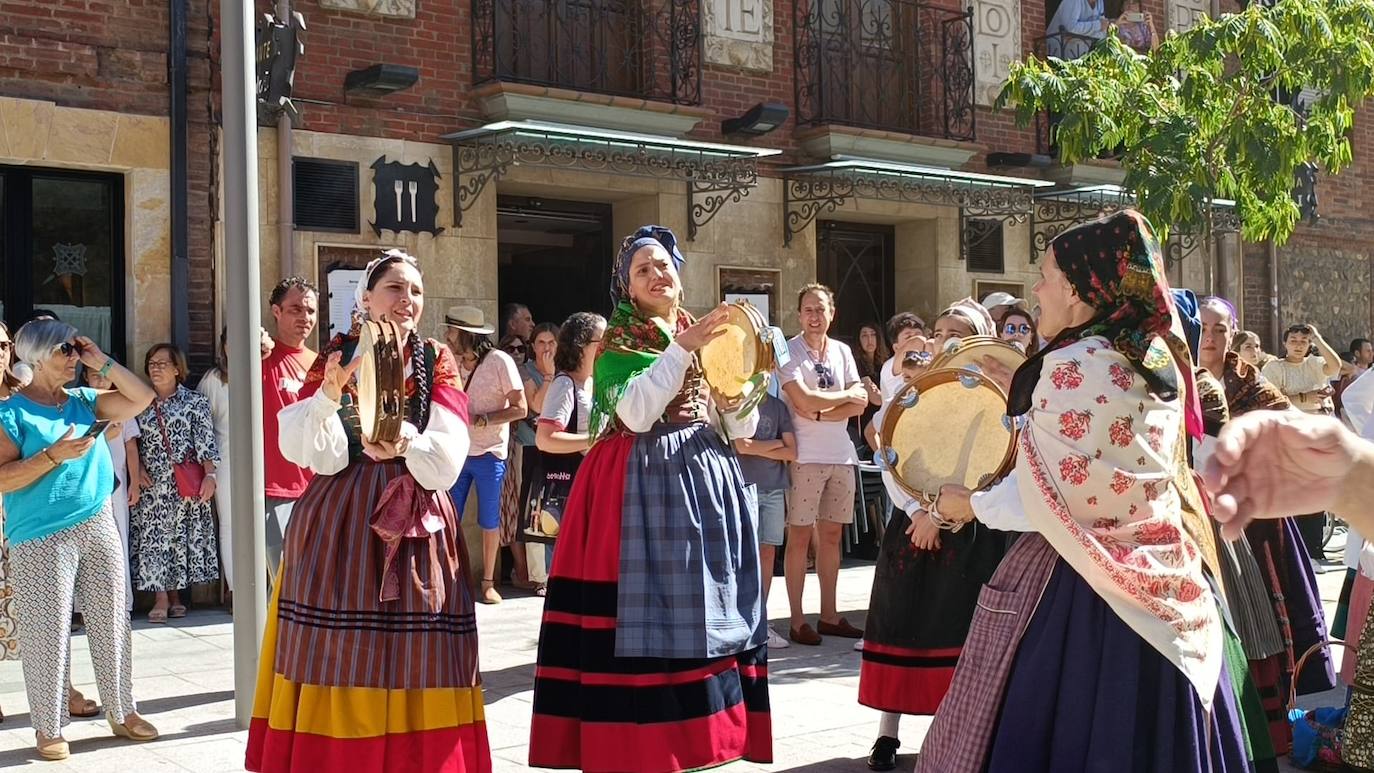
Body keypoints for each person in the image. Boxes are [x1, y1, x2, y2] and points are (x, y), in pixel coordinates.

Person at [914, 211, 1247, 772]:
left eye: (1045, 275)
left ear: (1077, 287)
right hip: (1169, 577)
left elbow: (1043, 494)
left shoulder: (1073, 366)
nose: (1037, 289)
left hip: (1075, 582)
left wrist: (965, 504)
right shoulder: (1159, 355)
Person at [528, 225, 770, 772]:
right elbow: (634, 414)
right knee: (644, 613)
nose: (657, 274)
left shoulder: (706, 331)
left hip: (703, 475)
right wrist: (683, 349)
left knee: (705, 607)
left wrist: (734, 397)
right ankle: (640, 748)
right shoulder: (618, 339)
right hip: (635, 482)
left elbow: (739, 422)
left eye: (663, 264)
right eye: (643, 269)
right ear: (628, 288)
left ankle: (699, 741)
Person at [244, 250, 487, 773]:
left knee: (421, 643)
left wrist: (403, 440)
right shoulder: (335, 355)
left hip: (418, 509)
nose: (408, 300)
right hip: (342, 515)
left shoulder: (435, 358)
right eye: (395, 288)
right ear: (367, 297)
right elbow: (311, 450)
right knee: (337, 645)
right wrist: (330, 393)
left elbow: (448, 454)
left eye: (416, 291)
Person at [0, 320, 159, 759]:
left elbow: (142, 398)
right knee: (46, 631)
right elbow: (2, 478)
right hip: (40, 534)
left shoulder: (85, 401)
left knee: (112, 621)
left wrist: (102, 360)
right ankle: (48, 728)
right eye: (64, 350)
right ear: (35, 356)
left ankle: (122, 710)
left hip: (96, 522)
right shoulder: (10, 412)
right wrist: (51, 456)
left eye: (74, 349)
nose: (72, 357)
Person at [858, 298, 1005, 772]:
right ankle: (887, 733)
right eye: (940, 333)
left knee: (957, 632)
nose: (945, 341)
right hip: (913, 526)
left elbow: (994, 467)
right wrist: (918, 512)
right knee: (902, 623)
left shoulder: (990, 399)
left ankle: (959, 733)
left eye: (957, 333)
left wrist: (940, 518)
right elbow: (891, 457)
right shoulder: (914, 391)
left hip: (969, 531)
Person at [1195, 295, 1332, 765]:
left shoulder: (1249, 380)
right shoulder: (1169, 371)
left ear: (1234, 333)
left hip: (1250, 518)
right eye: (1204, 329)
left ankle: (1264, 730)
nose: (1210, 339)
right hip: (1190, 513)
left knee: (1257, 624)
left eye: (1220, 330)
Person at [780, 284, 870, 646]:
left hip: (841, 455)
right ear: (799, 314)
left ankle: (830, 615)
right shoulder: (787, 350)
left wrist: (823, 408)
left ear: (832, 313)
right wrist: (839, 400)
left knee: (833, 537)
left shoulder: (844, 350)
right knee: (800, 537)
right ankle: (798, 619)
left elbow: (861, 402)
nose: (815, 316)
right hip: (805, 455)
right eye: (808, 310)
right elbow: (801, 400)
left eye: (821, 309)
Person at [129, 344, 220, 623]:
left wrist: (210, 476)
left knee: (179, 539)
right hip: (153, 483)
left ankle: (177, 595)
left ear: (177, 369)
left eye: (162, 363)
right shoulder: (140, 402)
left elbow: (205, 440)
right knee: (155, 539)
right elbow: (131, 440)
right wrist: (139, 469)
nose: (155, 368)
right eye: (151, 363)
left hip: (184, 483)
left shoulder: (195, 402)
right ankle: (160, 598)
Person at [444, 307, 528, 605]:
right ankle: (449, 579)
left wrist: (483, 419)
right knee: (447, 516)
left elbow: (521, 408)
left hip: (490, 453)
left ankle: (488, 582)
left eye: (451, 331)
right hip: (456, 452)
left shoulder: (499, 361)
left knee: (489, 520)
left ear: (466, 335)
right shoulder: (450, 360)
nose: (447, 336)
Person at [196, 326, 274, 591]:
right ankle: (238, 591)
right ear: (224, 346)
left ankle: (271, 587)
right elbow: (202, 426)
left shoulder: (268, 372)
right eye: (234, 341)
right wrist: (209, 469)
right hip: (226, 460)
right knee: (231, 524)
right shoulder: (214, 380)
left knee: (267, 521)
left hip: (268, 458)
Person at [531, 312, 604, 583]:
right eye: (603, 339)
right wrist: (597, 440)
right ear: (583, 344)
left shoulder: (592, 382)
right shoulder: (565, 384)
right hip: (572, 489)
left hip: (590, 486)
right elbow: (545, 438)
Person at [1262, 323, 1343, 563]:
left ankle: (1314, 550)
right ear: (1285, 343)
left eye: (1303, 341)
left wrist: (1317, 337)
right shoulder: (1274, 368)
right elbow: (1268, 398)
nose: (1298, 345)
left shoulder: (1315, 365)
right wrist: (1302, 398)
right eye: (1294, 340)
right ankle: (1293, 554)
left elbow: (1335, 366)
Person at [262, 276, 319, 583]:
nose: (305, 318)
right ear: (276, 312)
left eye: (310, 311)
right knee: (284, 583)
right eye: (295, 309)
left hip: (319, 490)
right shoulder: (261, 357)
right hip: (276, 490)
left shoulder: (320, 364)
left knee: (314, 584)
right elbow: (230, 363)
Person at [733, 386, 797, 651]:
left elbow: (792, 452)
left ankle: (761, 618)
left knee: (768, 552)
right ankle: (740, 616)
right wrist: (774, 445)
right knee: (741, 554)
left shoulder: (778, 406)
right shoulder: (736, 402)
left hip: (773, 487)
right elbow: (739, 446)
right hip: (743, 486)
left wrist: (755, 447)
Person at [83, 362, 142, 610]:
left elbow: (131, 446)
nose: (99, 381)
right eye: (94, 376)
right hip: (85, 483)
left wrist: (135, 482)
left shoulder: (122, 406)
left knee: (118, 538)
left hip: (116, 482)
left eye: (103, 376)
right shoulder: (80, 404)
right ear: (85, 376)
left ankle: (122, 602)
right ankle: (82, 607)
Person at [520, 322, 560, 588]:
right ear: (533, 346)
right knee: (535, 510)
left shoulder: (568, 372)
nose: (546, 348)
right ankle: (539, 576)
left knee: (560, 507)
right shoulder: (525, 371)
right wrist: (547, 376)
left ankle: (560, 570)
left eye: (551, 342)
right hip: (532, 448)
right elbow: (535, 405)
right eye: (541, 343)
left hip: (561, 447)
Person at [494, 333, 533, 591]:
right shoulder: (500, 374)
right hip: (504, 446)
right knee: (510, 510)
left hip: (526, 447)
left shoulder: (528, 374)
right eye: (511, 348)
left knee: (527, 509)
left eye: (521, 348)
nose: (517, 352)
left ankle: (527, 570)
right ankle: (519, 569)